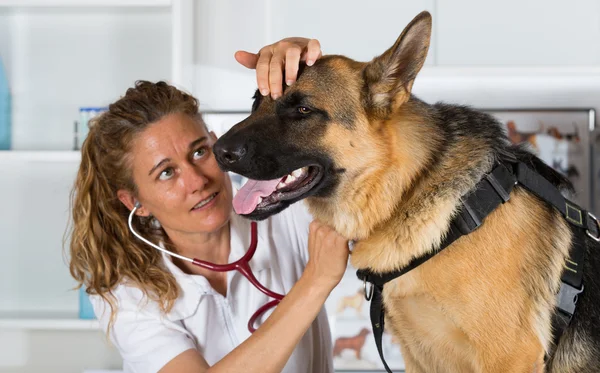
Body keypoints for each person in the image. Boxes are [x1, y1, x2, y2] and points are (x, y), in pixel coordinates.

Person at [68, 37, 350, 373]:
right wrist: (315, 282)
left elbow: (369, 127)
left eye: (200, 152)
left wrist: (307, 68)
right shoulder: (127, 292)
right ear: (136, 202)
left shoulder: (287, 205)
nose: (198, 180)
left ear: (217, 143)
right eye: (166, 173)